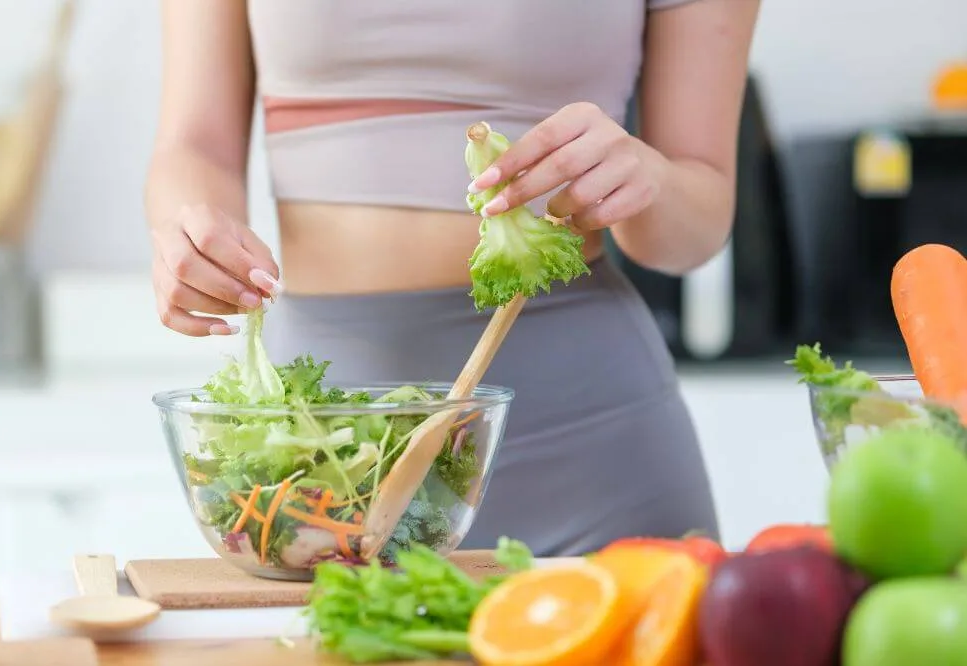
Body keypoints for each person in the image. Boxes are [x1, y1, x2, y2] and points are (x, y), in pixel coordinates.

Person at [144, 0, 760, 555]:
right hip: (320, 449)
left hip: (586, 444)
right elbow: (195, 145)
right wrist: (188, 234)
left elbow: (694, 224)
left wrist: (643, 176)